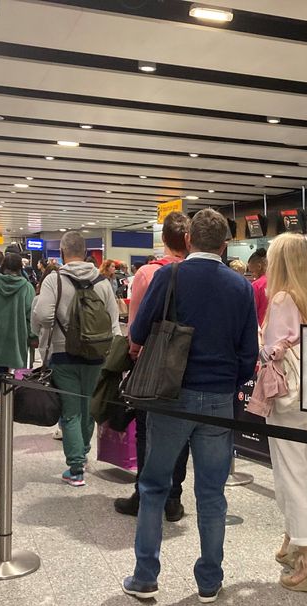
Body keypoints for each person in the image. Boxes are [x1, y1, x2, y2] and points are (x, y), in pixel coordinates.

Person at [123, 209, 258, 603]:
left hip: (170, 396)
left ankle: (145, 576)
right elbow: (248, 353)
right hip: (218, 401)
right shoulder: (240, 287)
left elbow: (138, 331)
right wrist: (227, 385)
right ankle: (209, 581)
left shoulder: (169, 276)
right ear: (224, 244)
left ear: (187, 240)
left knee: (154, 486)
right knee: (212, 493)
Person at [259, 233, 307, 592]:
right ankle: (295, 539)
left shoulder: (282, 298)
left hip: (287, 395)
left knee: (291, 473)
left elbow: (271, 351)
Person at [114, 210, 192, 522]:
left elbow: (137, 324)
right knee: (180, 434)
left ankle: (143, 494)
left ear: (164, 239)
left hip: (152, 364)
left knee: (147, 431)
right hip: (185, 365)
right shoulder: (194, 271)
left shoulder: (148, 273)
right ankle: (173, 498)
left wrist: (134, 351)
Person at [31, 231, 121, 487]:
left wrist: (64, 325)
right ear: (86, 253)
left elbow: (44, 316)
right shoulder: (102, 282)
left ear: (62, 253)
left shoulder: (54, 279)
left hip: (64, 354)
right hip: (96, 354)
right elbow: (113, 322)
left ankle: (76, 467)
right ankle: (83, 452)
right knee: (88, 408)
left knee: (70, 412)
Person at [0, 252, 36, 373]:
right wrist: (33, 336)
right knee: (20, 372)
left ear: (3, 265)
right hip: (19, 336)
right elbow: (30, 315)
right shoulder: (27, 287)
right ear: (20, 267)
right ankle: (18, 383)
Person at [247, 247, 268, 325]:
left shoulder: (256, 286)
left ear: (259, 266)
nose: (252, 275)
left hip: (261, 327)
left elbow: (252, 312)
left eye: (252, 272)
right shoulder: (277, 281)